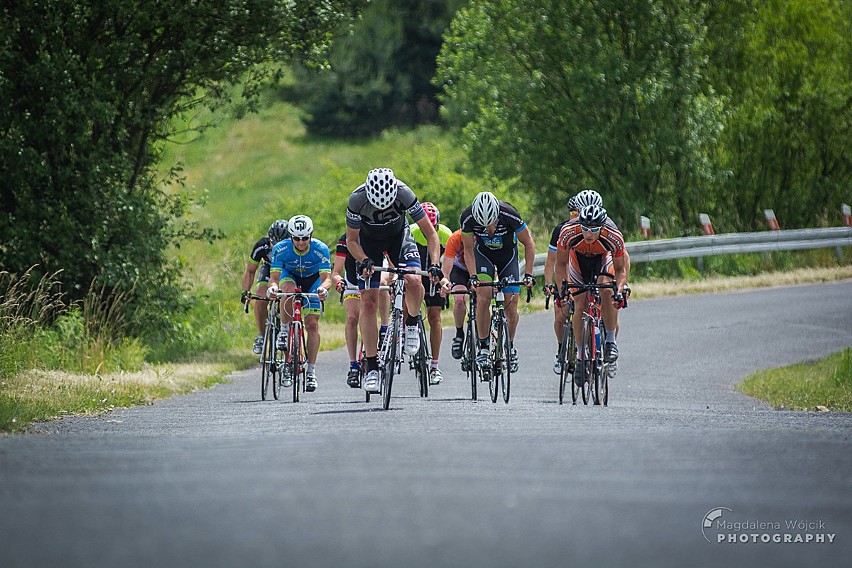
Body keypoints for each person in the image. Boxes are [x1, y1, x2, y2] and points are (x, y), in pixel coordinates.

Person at [346, 167, 442, 394]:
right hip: (368, 243)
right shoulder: (356, 199)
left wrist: (435, 264)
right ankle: (371, 366)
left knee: (414, 280)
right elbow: (351, 241)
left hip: (399, 237)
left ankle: (411, 324)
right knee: (368, 301)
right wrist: (364, 259)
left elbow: (431, 235)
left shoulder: (404, 193)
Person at [554, 204, 630, 388]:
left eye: (594, 229)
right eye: (585, 228)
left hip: (603, 259)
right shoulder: (568, 232)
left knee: (606, 289)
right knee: (579, 303)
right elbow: (560, 264)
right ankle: (581, 355)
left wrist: (619, 290)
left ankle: (610, 340)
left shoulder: (613, 236)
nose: (588, 234)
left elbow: (621, 269)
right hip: (578, 261)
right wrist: (562, 290)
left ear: (602, 227)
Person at [460, 191, 536, 376]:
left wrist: (528, 274)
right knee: (484, 296)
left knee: (511, 306)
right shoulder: (468, 217)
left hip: (507, 258)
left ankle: (509, 346)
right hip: (483, 256)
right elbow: (468, 250)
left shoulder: (509, 213)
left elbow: (529, 244)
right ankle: (484, 347)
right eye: (483, 225)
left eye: (491, 223)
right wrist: (473, 276)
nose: (488, 228)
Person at [267, 214, 331, 392]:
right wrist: (272, 289)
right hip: (290, 277)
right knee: (286, 290)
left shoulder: (321, 249)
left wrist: (324, 289)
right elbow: (274, 278)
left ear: (311, 235)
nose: (301, 242)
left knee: (312, 324)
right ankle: (285, 330)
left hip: (313, 282)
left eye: (305, 238)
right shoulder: (280, 249)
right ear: (290, 236)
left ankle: (311, 371)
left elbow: (326, 278)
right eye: (296, 238)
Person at [543, 189, 603, 374]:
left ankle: (595, 348)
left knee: (595, 307)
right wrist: (549, 284)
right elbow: (552, 260)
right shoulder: (562, 230)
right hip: (568, 272)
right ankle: (562, 350)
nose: (576, 218)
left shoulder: (602, 229)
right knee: (561, 315)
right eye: (574, 213)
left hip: (590, 269)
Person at [331, 233, 391, 388]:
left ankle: (385, 327)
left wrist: (392, 278)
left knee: (383, 284)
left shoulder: (378, 233)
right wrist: (339, 282)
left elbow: (390, 265)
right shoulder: (345, 239)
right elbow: (336, 272)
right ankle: (353, 365)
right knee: (352, 317)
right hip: (353, 282)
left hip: (374, 279)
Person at [409, 202, 453, 385]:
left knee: (435, 317)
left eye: (434, 226)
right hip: (415, 274)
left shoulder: (445, 234)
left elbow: (449, 264)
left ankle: (434, 365)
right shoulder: (411, 232)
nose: (431, 230)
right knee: (407, 306)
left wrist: (445, 282)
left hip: (435, 275)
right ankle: (405, 333)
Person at [241, 219, 288, 354]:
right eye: (274, 243)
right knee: (261, 298)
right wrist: (246, 291)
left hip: (286, 271)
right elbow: (250, 271)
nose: (277, 247)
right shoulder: (262, 245)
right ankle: (261, 335)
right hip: (268, 269)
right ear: (269, 239)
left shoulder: (294, 246)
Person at [441, 228, 470, 360]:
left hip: (480, 268)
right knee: (459, 299)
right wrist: (445, 281)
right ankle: (459, 334)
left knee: (484, 297)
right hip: (460, 270)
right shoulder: (455, 238)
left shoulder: (483, 235)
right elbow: (446, 270)